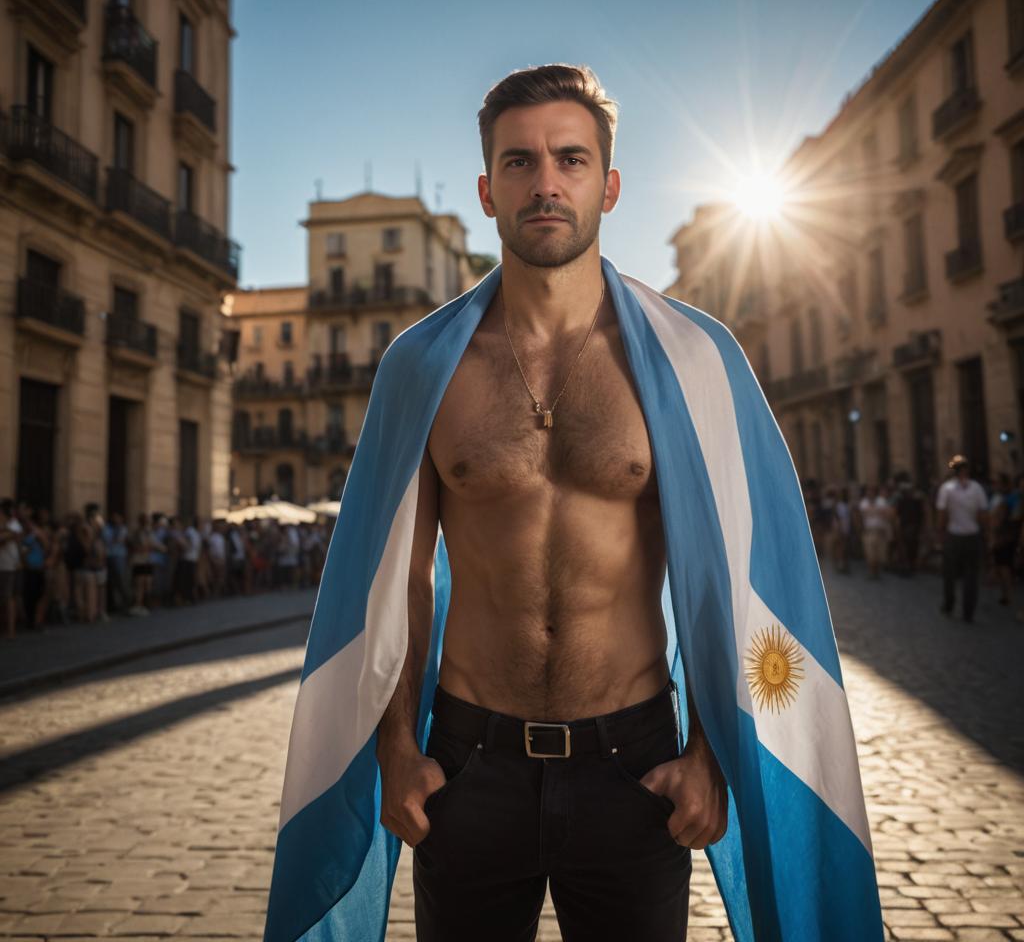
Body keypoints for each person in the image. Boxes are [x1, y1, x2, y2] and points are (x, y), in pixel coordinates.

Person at [264, 65, 881, 942]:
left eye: (570, 159)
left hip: (634, 763)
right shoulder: (422, 367)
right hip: (467, 764)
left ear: (609, 184)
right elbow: (393, 576)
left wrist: (711, 753)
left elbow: (736, 580)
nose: (545, 182)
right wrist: (398, 747)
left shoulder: (693, 361)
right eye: (518, 162)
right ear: (486, 189)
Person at [936, 454, 989, 623]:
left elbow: (942, 514)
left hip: (954, 535)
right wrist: (985, 532)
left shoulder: (947, 488)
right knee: (970, 575)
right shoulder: (977, 488)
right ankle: (968, 611)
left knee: (950, 574)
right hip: (971, 535)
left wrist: (940, 533)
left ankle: (949, 604)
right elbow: (982, 514)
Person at [987, 473, 1016, 609]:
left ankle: (1008, 595)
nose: (995, 485)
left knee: (1004, 566)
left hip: (1004, 536)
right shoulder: (997, 497)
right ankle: (1004, 594)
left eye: (997, 482)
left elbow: (1000, 518)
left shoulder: (1008, 499)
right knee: (999, 565)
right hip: (998, 535)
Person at [0, 498, 23, 639]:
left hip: (8, 565)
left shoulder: (14, 525)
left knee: (8, 597)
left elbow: (5, 539)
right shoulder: (10, 525)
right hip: (6, 564)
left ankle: (10, 630)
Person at [857, 484, 890, 580]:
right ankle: (872, 572)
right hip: (868, 531)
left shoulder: (882, 501)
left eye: (872, 491)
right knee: (870, 554)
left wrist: (873, 511)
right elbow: (863, 514)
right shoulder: (863, 502)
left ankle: (877, 571)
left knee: (880, 555)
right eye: (868, 491)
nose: (870, 493)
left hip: (880, 531)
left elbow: (886, 514)